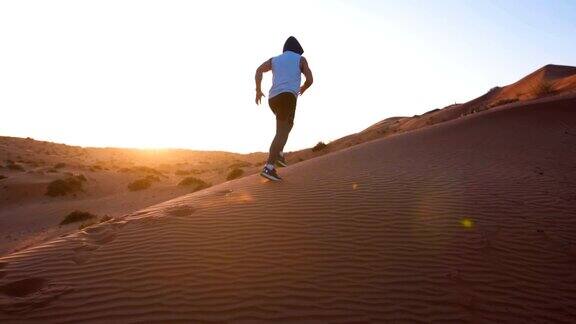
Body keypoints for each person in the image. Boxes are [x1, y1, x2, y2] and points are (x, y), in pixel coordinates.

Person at [254, 36, 314, 181]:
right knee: (281, 132)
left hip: (273, 98)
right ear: (297, 49)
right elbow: (310, 79)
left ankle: (279, 154)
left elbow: (258, 71)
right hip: (288, 97)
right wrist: (303, 88)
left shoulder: (274, 60)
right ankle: (269, 167)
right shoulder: (301, 59)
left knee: (288, 125)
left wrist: (257, 90)